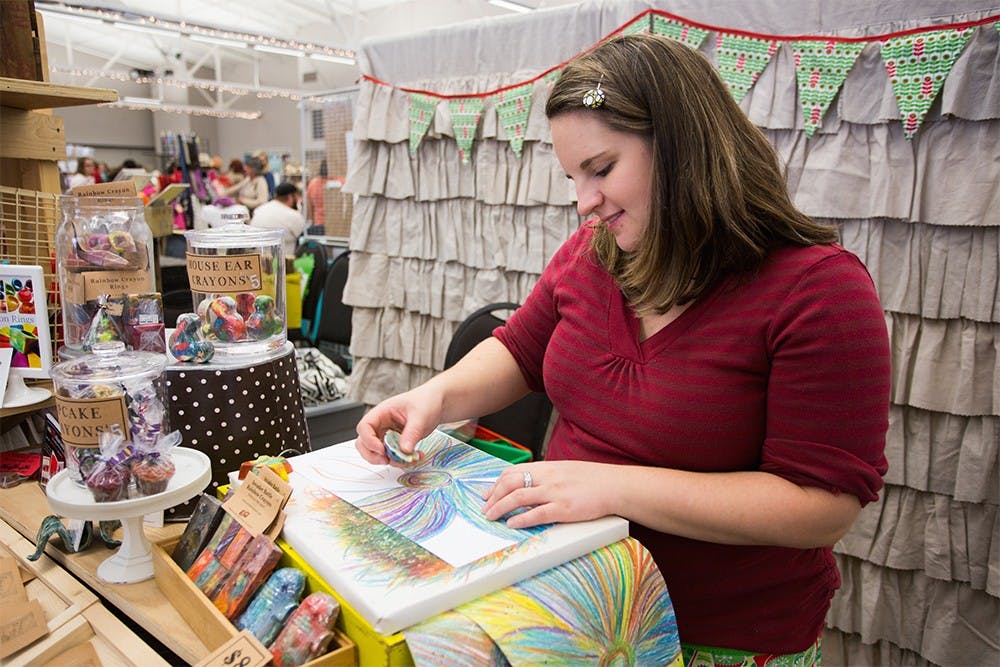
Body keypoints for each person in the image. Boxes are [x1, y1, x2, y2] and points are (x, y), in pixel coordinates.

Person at [355, 34, 890, 664]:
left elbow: (820, 508)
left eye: (602, 169)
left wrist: (612, 488)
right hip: (568, 602)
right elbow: (522, 351)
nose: (585, 202)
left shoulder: (821, 293)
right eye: (574, 177)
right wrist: (434, 396)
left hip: (719, 636)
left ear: (683, 150)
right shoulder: (593, 254)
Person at [250, 181, 306, 257]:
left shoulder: (259, 209)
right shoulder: (293, 215)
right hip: (283, 262)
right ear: (290, 197)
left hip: (257, 259)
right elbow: (302, 235)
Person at [305, 159, 329, 228]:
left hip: (317, 222)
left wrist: (310, 220)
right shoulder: (338, 182)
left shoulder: (313, 183)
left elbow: (309, 205)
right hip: (334, 223)